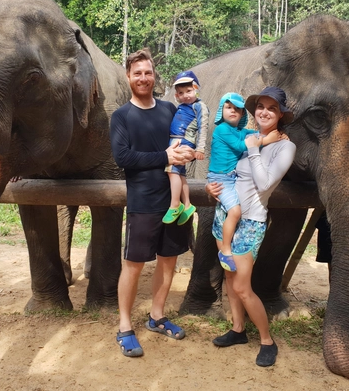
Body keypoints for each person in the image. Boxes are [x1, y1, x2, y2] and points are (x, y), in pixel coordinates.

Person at [110, 49, 195, 357]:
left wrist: (186, 152)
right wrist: (164, 156)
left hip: (174, 204)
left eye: (148, 72)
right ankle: (124, 326)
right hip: (143, 202)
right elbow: (123, 157)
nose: (143, 78)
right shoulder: (122, 116)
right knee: (133, 265)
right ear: (128, 77)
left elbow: (182, 143)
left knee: (168, 260)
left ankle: (157, 316)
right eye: (137, 73)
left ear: (154, 75)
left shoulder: (170, 110)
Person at [206, 86, 296, 367]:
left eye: (272, 108)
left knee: (243, 286)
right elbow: (228, 169)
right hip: (226, 214)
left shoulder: (285, 147)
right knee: (230, 277)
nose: (264, 112)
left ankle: (267, 340)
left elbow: (265, 183)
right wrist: (212, 187)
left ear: (281, 115)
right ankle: (238, 329)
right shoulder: (247, 137)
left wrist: (255, 150)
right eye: (260, 107)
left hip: (250, 222)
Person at [208, 92, 283, 272]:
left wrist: (274, 135)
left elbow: (253, 134)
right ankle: (225, 249)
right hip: (221, 178)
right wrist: (267, 139)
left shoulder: (239, 131)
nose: (233, 111)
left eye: (237, 109)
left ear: (242, 114)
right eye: (228, 107)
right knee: (235, 211)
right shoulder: (222, 129)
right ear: (221, 110)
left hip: (230, 178)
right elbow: (243, 146)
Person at [163, 70, 209, 225]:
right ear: (176, 95)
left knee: (172, 171)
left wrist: (200, 148)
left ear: (196, 88)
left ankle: (175, 204)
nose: (185, 95)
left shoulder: (200, 106)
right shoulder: (182, 106)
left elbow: (203, 127)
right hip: (175, 140)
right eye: (181, 93)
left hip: (183, 141)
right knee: (180, 174)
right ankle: (187, 205)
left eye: (189, 91)